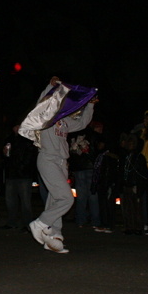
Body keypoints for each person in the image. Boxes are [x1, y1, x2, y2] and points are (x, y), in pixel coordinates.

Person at [28, 77, 96, 253]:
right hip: (48, 159)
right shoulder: (46, 117)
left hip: (61, 162)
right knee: (66, 198)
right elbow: (40, 104)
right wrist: (49, 87)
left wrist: (90, 105)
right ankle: (40, 223)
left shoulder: (65, 121)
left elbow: (82, 122)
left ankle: (54, 235)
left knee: (55, 198)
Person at [1, 125, 37, 230]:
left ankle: (27, 224)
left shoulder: (28, 139)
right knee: (10, 200)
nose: (17, 128)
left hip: (23, 175)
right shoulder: (9, 139)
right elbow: (5, 155)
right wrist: (4, 153)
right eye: (15, 126)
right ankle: (12, 222)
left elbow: (30, 156)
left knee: (25, 201)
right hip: (11, 174)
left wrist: (22, 167)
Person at [69, 121, 103, 229]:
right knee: (92, 195)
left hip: (79, 168)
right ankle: (95, 221)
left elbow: (72, 152)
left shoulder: (74, 134)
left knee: (81, 196)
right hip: (90, 167)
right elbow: (99, 149)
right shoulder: (93, 135)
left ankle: (80, 220)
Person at [120, 133, 148, 235]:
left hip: (135, 185)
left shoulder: (139, 157)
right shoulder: (127, 156)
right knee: (128, 207)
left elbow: (142, 174)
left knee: (136, 207)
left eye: (132, 143)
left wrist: (139, 187)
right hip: (127, 185)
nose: (129, 145)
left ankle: (138, 227)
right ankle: (129, 227)